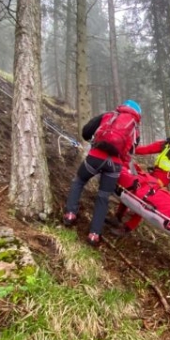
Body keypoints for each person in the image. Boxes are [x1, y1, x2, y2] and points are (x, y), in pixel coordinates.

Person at [63, 100, 142, 246]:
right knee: (103, 197)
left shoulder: (109, 115)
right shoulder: (135, 128)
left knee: (79, 181)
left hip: (95, 157)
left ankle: (70, 214)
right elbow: (131, 151)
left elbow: (86, 131)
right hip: (114, 166)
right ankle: (94, 234)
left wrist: (93, 142)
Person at [110, 123, 170, 236]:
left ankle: (128, 228)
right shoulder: (165, 144)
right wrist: (131, 150)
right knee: (133, 189)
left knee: (145, 200)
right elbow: (147, 149)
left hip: (163, 178)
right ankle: (118, 217)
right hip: (153, 174)